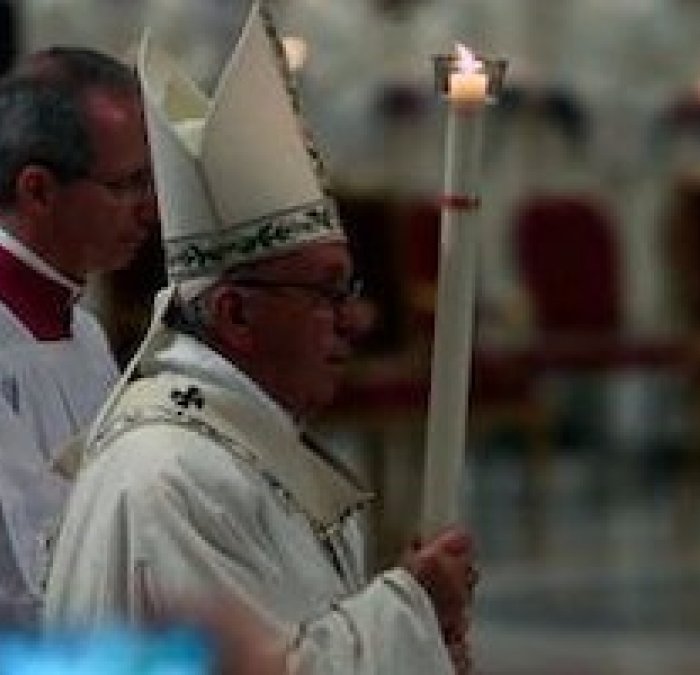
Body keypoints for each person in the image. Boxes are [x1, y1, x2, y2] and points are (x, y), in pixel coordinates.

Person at [43, 4, 475, 674]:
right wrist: (411, 608)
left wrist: (416, 628)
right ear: (235, 314)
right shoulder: (173, 477)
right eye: (326, 292)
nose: (353, 318)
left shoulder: (238, 446)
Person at [0, 46, 155, 625]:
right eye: (127, 186)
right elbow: (28, 582)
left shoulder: (83, 329)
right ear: (37, 191)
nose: (150, 211)